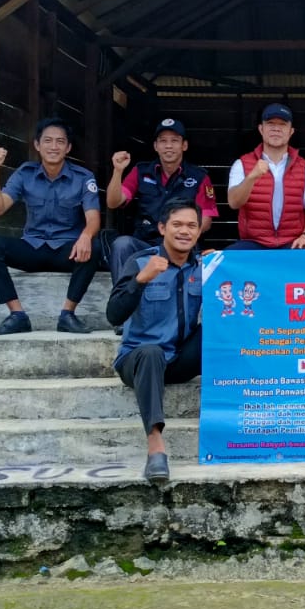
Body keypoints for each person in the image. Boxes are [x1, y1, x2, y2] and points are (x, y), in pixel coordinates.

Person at [106, 198, 206, 486]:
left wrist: (222, 266)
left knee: (217, 333)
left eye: (192, 225)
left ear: (199, 231)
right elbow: (113, 314)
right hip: (138, 360)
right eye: (177, 224)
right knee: (150, 353)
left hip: (177, 359)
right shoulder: (140, 262)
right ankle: (155, 446)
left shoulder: (203, 267)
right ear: (162, 228)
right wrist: (140, 280)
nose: (184, 231)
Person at [0, 117, 103, 335]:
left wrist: (85, 236)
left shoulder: (83, 177)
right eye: (47, 141)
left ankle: (67, 314)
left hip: (67, 250)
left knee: (94, 247)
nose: (53, 146)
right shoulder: (25, 173)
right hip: (33, 248)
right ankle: (17, 315)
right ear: (37, 145)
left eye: (60, 141)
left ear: (68, 147)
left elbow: (93, 218)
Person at [105, 118, 219, 276]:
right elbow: (113, 202)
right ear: (155, 146)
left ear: (184, 145)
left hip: (181, 243)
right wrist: (118, 171)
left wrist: (178, 232)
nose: (168, 146)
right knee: (121, 244)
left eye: (174, 141)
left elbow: (205, 221)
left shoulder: (199, 177)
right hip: (145, 243)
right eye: (163, 141)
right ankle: (123, 292)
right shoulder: (141, 171)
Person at [226, 103, 305, 250]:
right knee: (228, 257)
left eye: (282, 124)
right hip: (253, 242)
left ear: (291, 131)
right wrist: (251, 177)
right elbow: (234, 203)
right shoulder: (241, 164)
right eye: (270, 124)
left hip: (292, 242)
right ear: (261, 129)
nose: (276, 128)